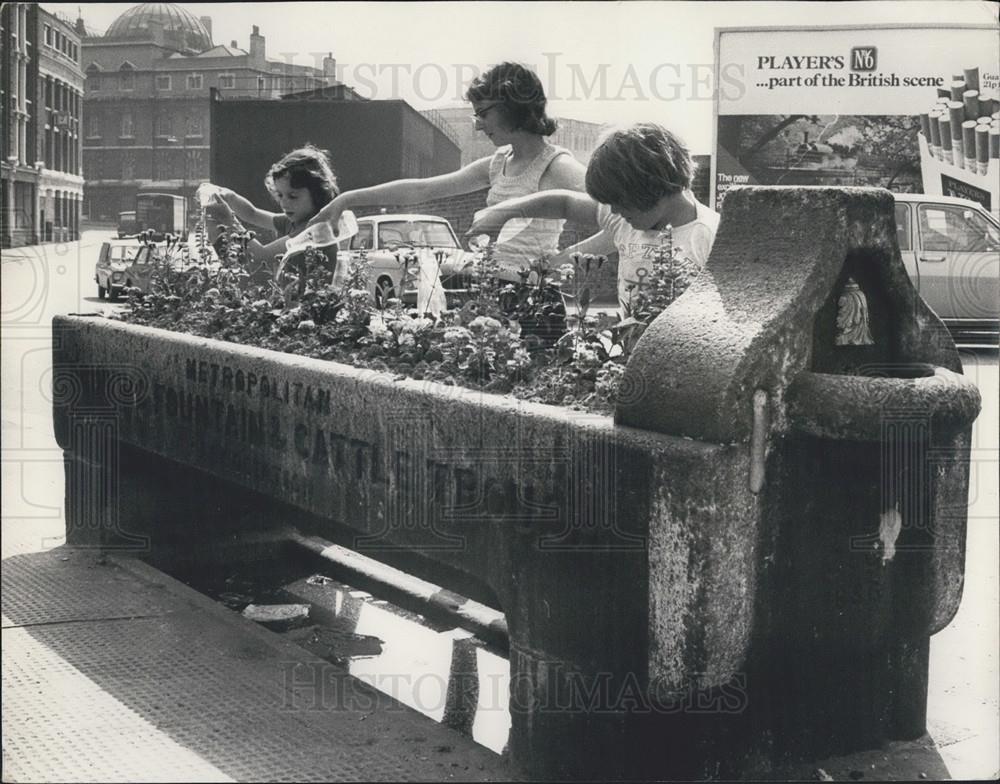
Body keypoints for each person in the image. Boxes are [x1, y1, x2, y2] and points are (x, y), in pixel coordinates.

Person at [308, 62, 590, 282]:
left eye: (483, 113)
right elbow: (423, 189)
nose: (478, 125)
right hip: (488, 290)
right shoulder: (497, 163)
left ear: (512, 107)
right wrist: (346, 199)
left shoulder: (556, 165)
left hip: (534, 301)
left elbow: (620, 215)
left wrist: (557, 263)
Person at [467, 122, 721, 315]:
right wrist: (503, 213)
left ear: (651, 188)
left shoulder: (710, 237)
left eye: (620, 204)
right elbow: (563, 202)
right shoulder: (627, 219)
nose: (616, 212)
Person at [206, 144, 340, 271]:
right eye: (280, 195)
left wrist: (229, 221)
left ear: (317, 194)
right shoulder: (294, 220)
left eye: (293, 196)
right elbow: (253, 214)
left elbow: (261, 255)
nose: (284, 203)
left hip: (312, 294)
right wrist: (230, 197)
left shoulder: (314, 229)